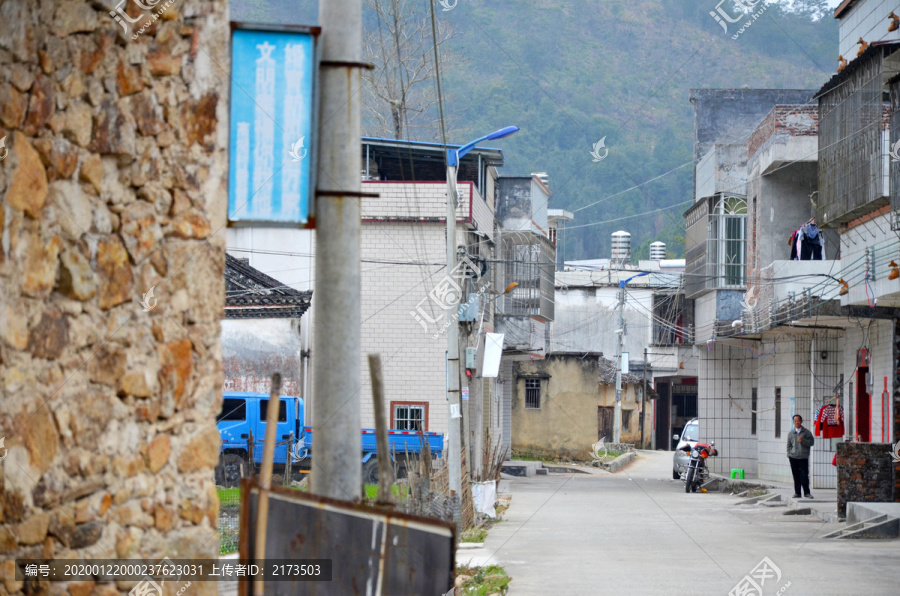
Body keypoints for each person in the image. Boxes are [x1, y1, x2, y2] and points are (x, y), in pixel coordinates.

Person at [787, 414, 814, 499]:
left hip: (803, 457)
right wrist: (789, 454)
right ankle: (797, 493)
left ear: (801, 421)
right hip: (793, 457)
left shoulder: (806, 432)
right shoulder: (791, 433)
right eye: (795, 421)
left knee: (804, 475)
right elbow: (788, 445)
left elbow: (811, 442)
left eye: (798, 420)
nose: (797, 422)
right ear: (793, 422)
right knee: (796, 476)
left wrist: (803, 441)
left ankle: (807, 493)